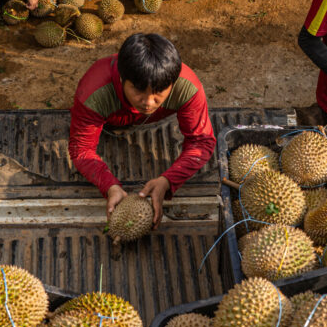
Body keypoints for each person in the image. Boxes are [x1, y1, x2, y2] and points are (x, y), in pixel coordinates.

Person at [69, 33, 216, 226]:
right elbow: (81, 150)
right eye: (138, 91)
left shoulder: (187, 87)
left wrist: (167, 181)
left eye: (158, 93)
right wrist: (110, 186)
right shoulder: (94, 93)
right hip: (112, 119)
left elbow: (202, 141)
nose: (148, 102)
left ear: (172, 84)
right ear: (122, 79)